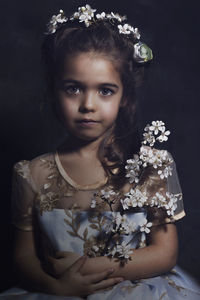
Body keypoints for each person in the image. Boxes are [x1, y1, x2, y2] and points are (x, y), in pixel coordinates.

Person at [1, 4, 200, 299]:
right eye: (73, 88)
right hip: (58, 290)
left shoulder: (149, 166)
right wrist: (58, 286)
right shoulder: (33, 174)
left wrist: (89, 266)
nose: (88, 105)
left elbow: (165, 253)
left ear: (124, 97)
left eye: (105, 90)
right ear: (53, 90)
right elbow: (23, 257)